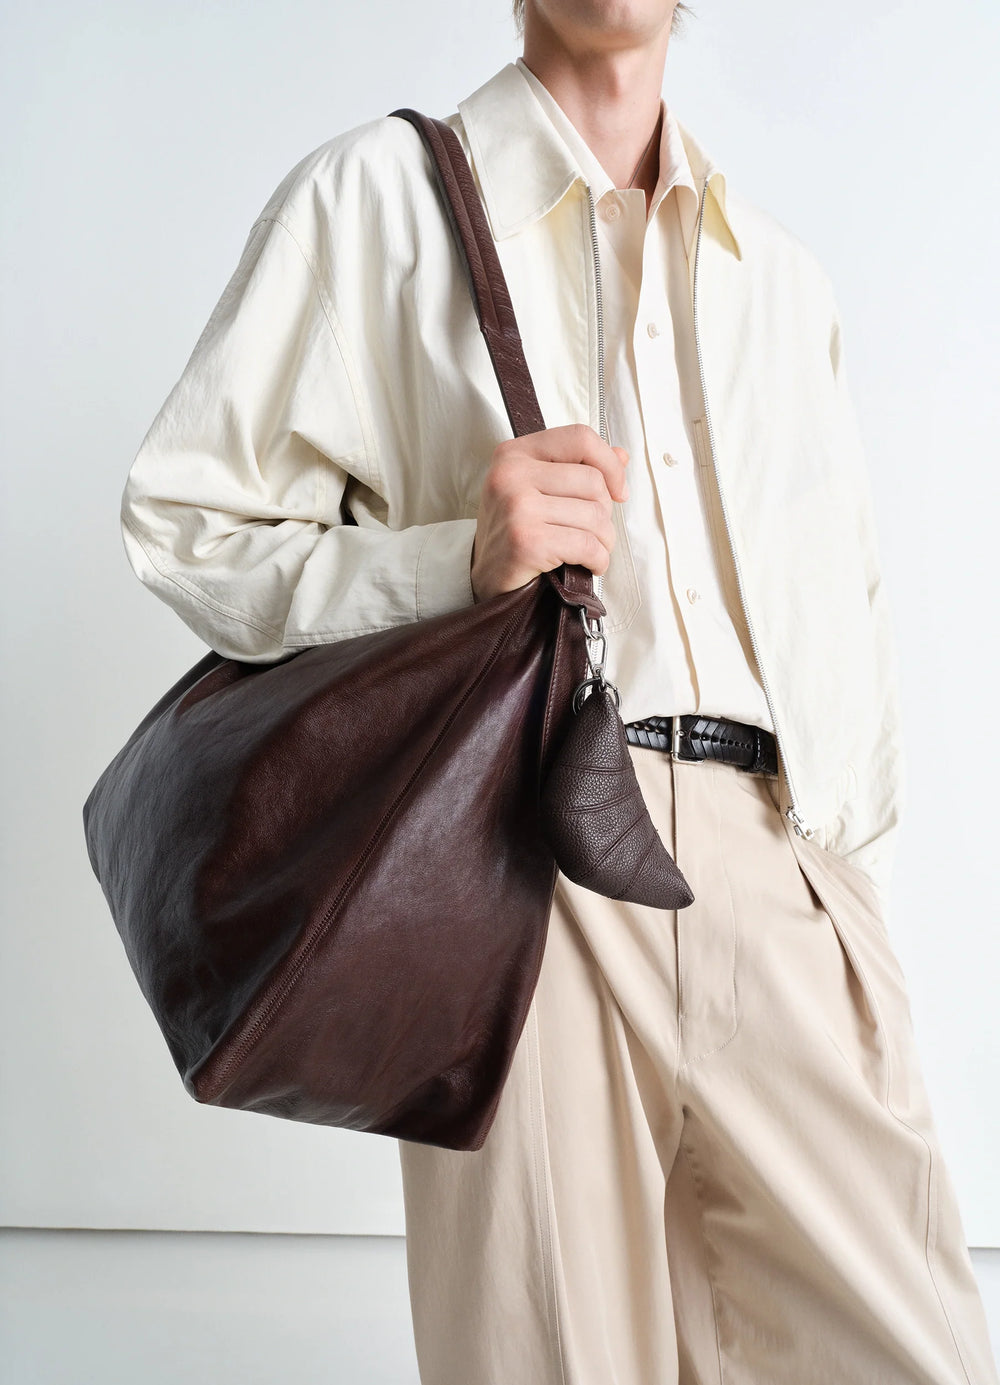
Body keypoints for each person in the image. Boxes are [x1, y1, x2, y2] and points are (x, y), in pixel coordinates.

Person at [118, 1, 999, 1380]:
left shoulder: (781, 278)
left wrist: (850, 908)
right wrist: (446, 563)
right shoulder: (380, 204)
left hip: (782, 869)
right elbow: (185, 522)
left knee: (914, 1350)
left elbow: (848, 623)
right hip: (523, 880)